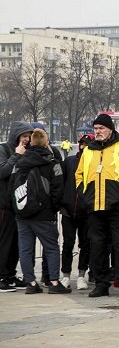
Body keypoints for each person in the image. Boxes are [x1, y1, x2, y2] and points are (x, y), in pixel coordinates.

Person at [76, 114, 119, 299]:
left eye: (101, 128)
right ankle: (101, 283)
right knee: (98, 247)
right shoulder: (88, 150)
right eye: (95, 128)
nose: (98, 131)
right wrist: (84, 194)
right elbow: (79, 174)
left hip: (118, 206)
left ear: (110, 129)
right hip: (95, 207)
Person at [11, 129, 69, 294]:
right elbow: (58, 188)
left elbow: (12, 187)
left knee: (25, 248)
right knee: (51, 247)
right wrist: (52, 207)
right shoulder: (52, 163)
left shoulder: (20, 162)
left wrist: (17, 208)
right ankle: (54, 282)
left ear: (30, 142)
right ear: (46, 142)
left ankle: (31, 282)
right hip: (44, 214)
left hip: (22, 213)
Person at [0, 121, 34, 292]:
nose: (27, 139)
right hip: (4, 204)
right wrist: (17, 155)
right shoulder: (4, 149)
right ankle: (1, 276)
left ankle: (10, 274)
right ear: (16, 136)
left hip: (18, 204)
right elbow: (3, 171)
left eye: (29, 136)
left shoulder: (26, 151)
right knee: (4, 242)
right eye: (24, 136)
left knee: (15, 243)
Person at [59, 134, 91, 290]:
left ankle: (81, 276)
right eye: (82, 144)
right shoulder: (70, 161)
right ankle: (65, 275)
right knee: (68, 243)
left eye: (87, 144)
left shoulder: (93, 163)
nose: (83, 147)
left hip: (86, 211)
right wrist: (62, 202)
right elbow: (61, 183)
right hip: (68, 210)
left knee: (85, 244)